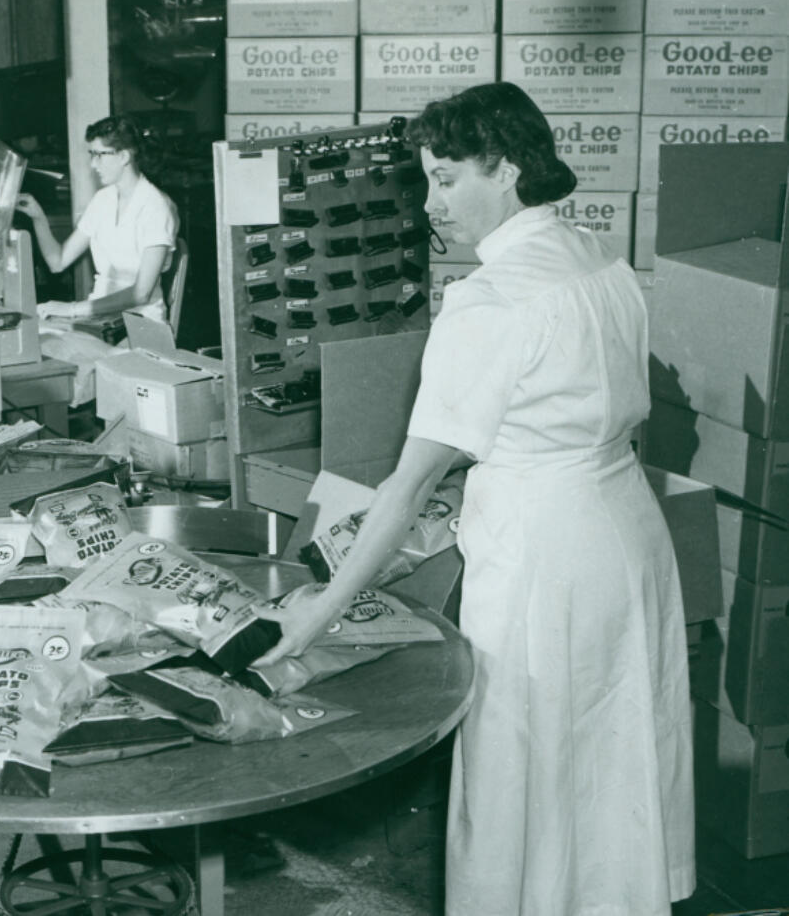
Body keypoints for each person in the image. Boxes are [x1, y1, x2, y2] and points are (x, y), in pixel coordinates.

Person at [254, 82, 695, 916]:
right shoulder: (598, 256)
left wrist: (315, 614)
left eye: (447, 178)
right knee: (614, 759)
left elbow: (408, 483)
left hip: (543, 561)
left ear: (508, 168)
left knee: (519, 774)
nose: (431, 204)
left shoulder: (487, 300)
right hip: (626, 532)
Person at [15, 115, 179, 405]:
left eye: (99, 155)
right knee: (28, 344)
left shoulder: (155, 207)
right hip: (98, 322)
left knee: (51, 367)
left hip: (139, 329)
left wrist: (74, 309)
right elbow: (58, 261)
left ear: (125, 156)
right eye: (91, 155)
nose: (93, 164)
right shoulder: (104, 200)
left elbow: (140, 292)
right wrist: (38, 217)